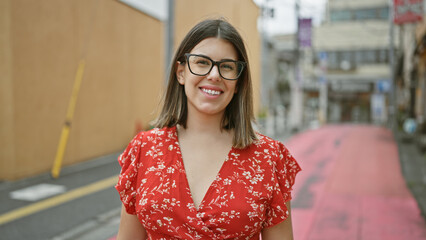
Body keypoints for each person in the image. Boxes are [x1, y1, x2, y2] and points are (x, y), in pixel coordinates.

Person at [115, 18, 301, 240]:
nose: (214, 75)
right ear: (181, 72)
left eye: (227, 67)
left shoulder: (269, 158)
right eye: (202, 62)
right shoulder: (143, 150)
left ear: (238, 82)